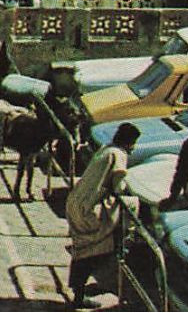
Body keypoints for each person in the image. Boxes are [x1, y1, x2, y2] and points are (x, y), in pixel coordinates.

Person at [66, 123, 139, 308]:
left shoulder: (107, 149)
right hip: (87, 210)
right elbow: (118, 187)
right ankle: (80, 296)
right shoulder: (119, 156)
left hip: (75, 202)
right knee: (91, 252)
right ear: (129, 142)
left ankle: (79, 292)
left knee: (82, 251)